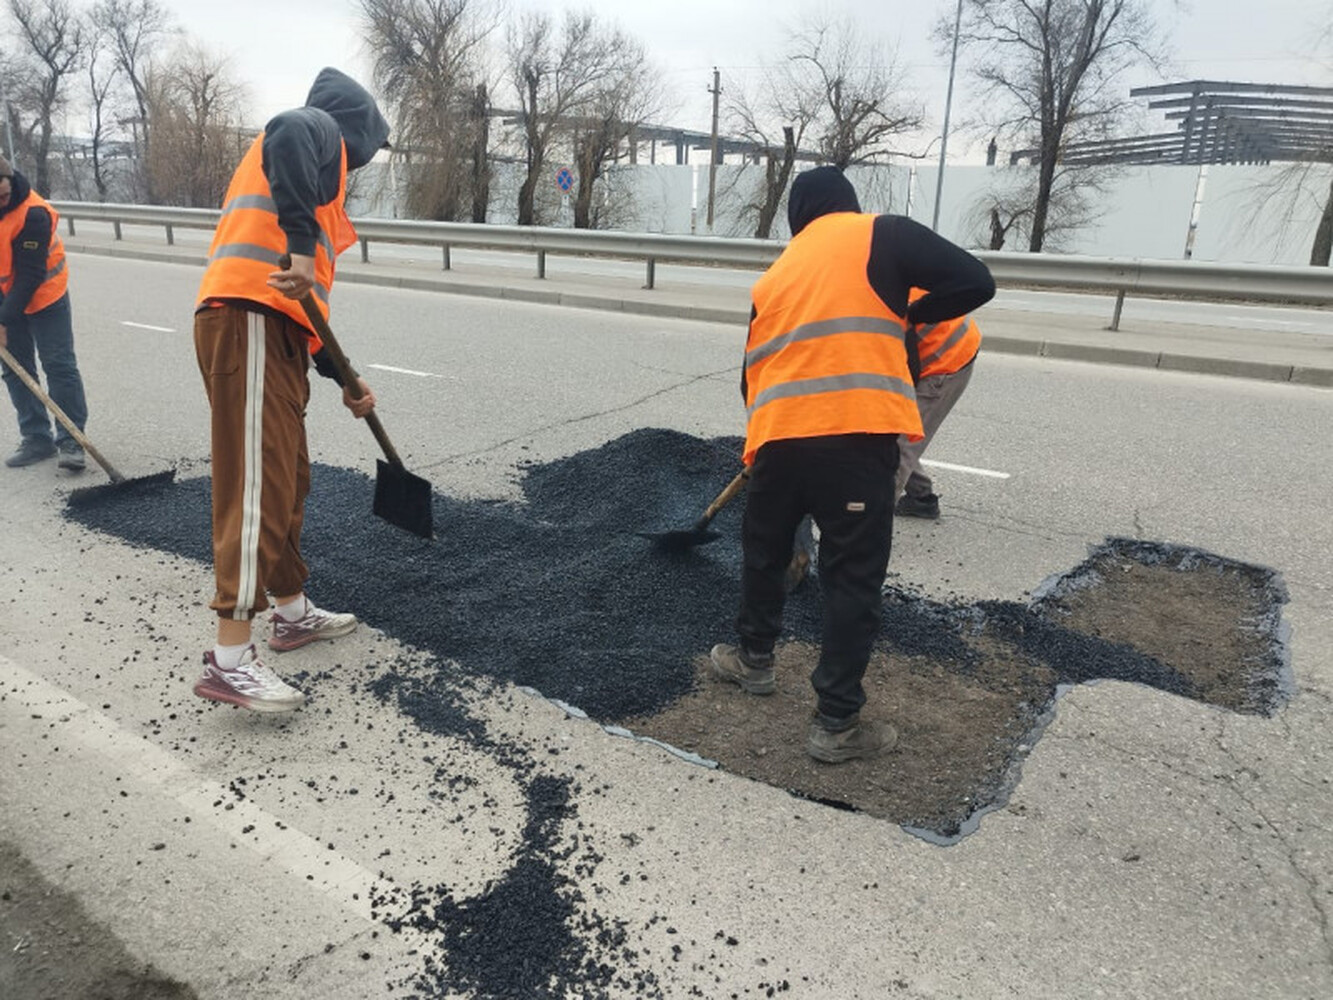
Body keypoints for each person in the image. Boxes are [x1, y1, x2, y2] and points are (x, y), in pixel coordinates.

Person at [709, 166, 995, 763]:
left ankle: (753, 661)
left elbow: (748, 378)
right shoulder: (881, 234)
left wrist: (774, 445)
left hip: (777, 438)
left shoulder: (775, 276)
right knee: (851, 577)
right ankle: (835, 725)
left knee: (763, 553)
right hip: (857, 439)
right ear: (847, 203)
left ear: (797, 218)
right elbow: (976, 280)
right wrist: (911, 315)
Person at [191, 67, 390, 713]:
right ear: (353, 134)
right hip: (246, 321)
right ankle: (228, 661)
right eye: (362, 152)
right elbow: (287, 129)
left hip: (276, 337)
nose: (356, 164)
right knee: (256, 487)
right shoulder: (312, 130)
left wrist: (345, 377)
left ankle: (293, 612)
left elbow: (310, 318)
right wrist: (303, 245)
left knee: (286, 479)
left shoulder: (319, 193)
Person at [0, 155, 89, 471]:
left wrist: (3, 319)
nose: (1, 201)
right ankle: (37, 439)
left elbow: (30, 275)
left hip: (44, 294)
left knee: (59, 365)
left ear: (11, 179)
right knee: (15, 367)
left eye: (3, 194)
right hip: (4, 293)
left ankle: (71, 441)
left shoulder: (33, 214)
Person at [893, 292, 983, 520]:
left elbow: (909, 364)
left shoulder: (879, 300)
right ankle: (920, 497)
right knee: (887, 435)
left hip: (945, 361)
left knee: (899, 446)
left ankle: (867, 533)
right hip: (934, 343)